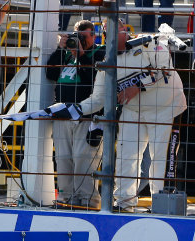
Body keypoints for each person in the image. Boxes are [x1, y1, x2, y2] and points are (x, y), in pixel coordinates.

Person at [77, 19, 187, 211]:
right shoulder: (107, 61)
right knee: (126, 156)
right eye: (107, 32)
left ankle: (161, 203)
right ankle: (124, 202)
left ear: (125, 30)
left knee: (160, 158)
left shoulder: (149, 43)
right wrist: (73, 109)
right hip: (133, 110)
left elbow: (165, 70)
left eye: (116, 29)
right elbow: (98, 99)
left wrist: (137, 86)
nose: (111, 35)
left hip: (166, 108)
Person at [46, 20, 106, 208]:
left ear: (93, 36)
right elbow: (50, 73)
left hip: (86, 115)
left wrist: (81, 55)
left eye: (84, 37)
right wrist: (60, 49)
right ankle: (66, 197)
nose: (79, 40)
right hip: (63, 113)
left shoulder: (100, 53)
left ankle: (88, 199)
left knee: (84, 158)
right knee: (63, 158)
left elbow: (95, 79)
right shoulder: (67, 54)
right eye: (76, 36)